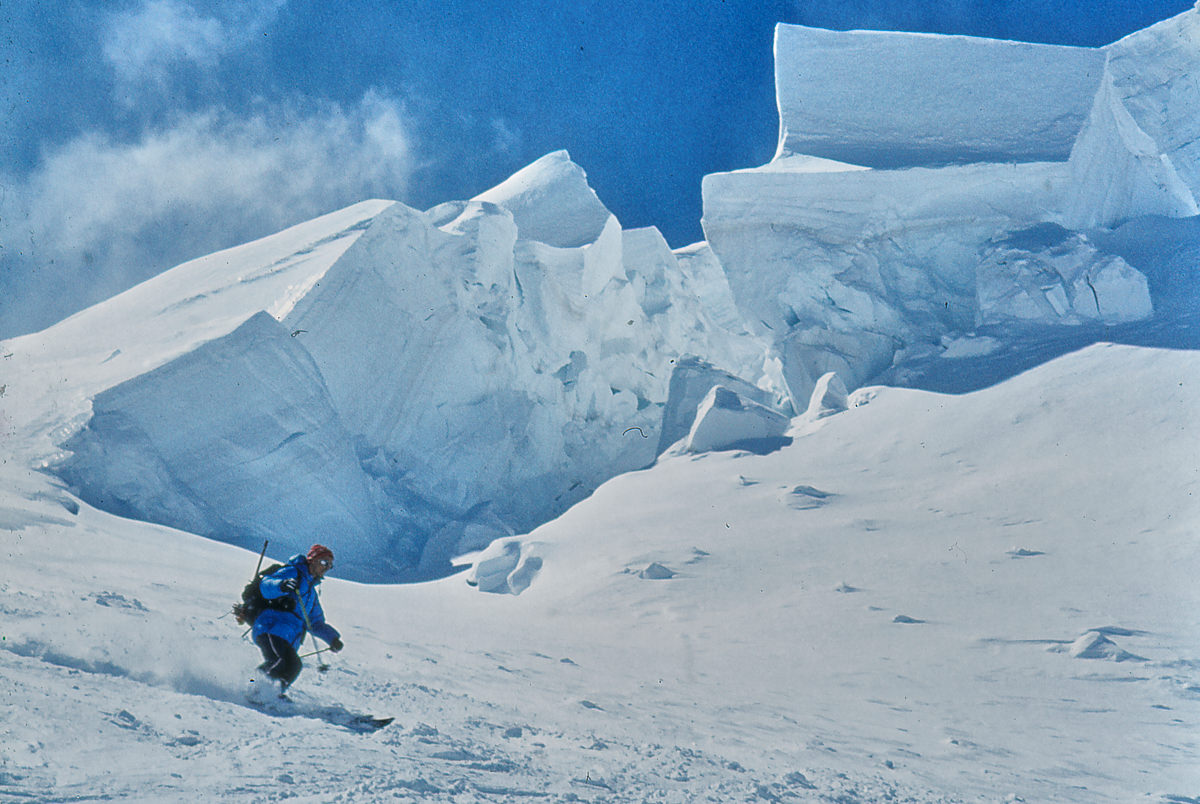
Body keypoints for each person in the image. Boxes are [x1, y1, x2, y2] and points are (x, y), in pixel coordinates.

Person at [250, 543, 344, 699]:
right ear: (312, 560)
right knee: (279, 660)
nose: (326, 567)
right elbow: (266, 585)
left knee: (294, 665)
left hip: (286, 637)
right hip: (270, 628)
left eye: (330, 565)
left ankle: (273, 694)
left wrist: (333, 638)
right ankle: (253, 688)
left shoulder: (311, 595)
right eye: (323, 562)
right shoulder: (293, 572)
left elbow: (315, 623)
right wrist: (281, 585)